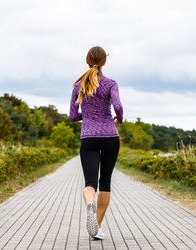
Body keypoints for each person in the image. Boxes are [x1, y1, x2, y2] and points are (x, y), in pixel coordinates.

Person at [69, 46, 123, 240]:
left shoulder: (79, 85)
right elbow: (117, 105)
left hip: (89, 138)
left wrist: (89, 115)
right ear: (104, 61)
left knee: (90, 183)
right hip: (110, 136)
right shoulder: (110, 83)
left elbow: (73, 116)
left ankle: (89, 204)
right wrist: (119, 118)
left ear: (87, 60)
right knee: (105, 182)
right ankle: (97, 227)